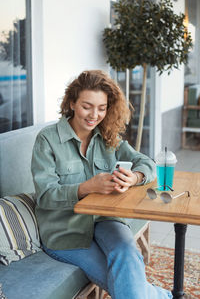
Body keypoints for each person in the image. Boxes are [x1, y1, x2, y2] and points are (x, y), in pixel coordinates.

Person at [31, 70, 172, 299]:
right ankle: (166, 296)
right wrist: (87, 187)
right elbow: (46, 195)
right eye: (87, 106)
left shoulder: (107, 136)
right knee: (124, 282)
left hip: (106, 219)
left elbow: (147, 163)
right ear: (72, 103)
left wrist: (135, 177)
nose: (94, 115)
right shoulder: (47, 140)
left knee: (127, 254)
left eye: (102, 108)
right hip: (65, 231)